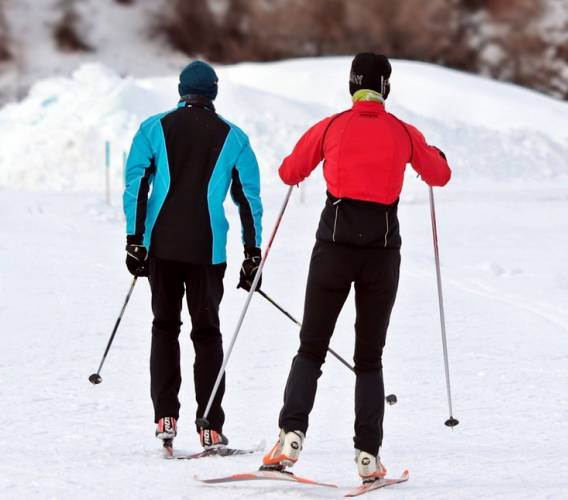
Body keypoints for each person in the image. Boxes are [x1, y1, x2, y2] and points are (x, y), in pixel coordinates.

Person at [262, 53, 451, 481]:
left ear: (352, 85)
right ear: (385, 87)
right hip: (382, 256)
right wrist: (433, 153)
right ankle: (368, 455)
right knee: (369, 358)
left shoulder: (331, 126)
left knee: (311, 346)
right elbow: (439, 175)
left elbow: (289, 171)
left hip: (333, 250)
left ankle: (290, 437)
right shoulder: (403, 132)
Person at [122, 60, 263, 451]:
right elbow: (248, 200)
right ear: (213, 93)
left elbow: (137, 185)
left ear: (182, 90)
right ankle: (210, 426)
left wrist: (135, 240)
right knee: (207, 334)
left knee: (164, 327)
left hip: (162, 247)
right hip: (207, 250)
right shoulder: (234, 138)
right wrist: (253, 254)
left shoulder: (153, 128)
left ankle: (165, 417)